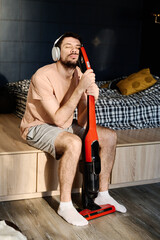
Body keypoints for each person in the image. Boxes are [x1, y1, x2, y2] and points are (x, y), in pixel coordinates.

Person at [20, 32, 127, 226]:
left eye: (77, 47)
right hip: (38, 126)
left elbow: (84, 121)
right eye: (68, 46)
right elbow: (59, 120)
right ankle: (66, 205)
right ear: (56, 52)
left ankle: (103, 194)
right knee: (74, 141)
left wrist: (91, 98)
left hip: (67, 124)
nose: (74, 50)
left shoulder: (79, 74)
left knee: (109, 136)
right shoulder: (42, 75)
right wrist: (80, 89)